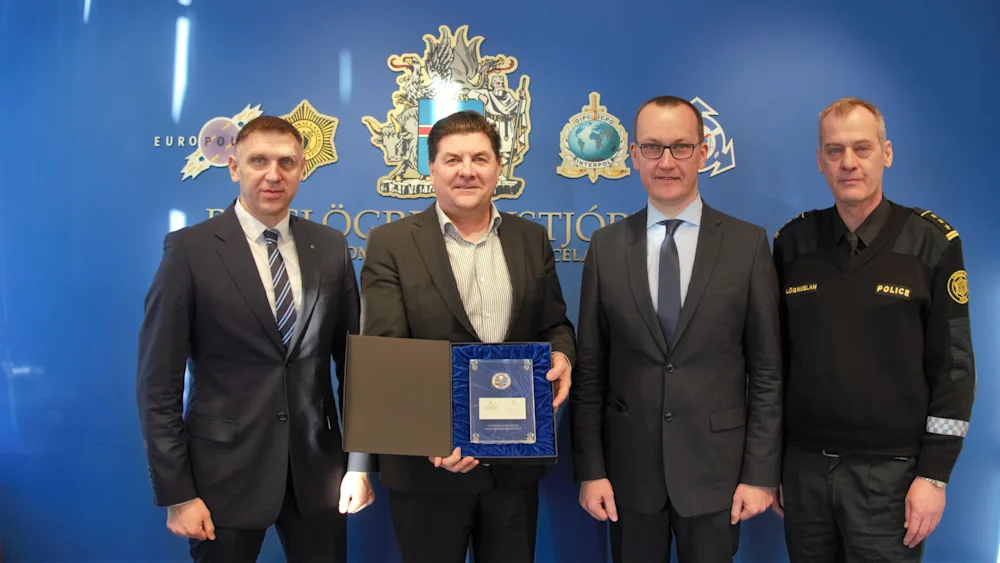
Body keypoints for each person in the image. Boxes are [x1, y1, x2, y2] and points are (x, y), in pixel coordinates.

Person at [136, 115, 375, 563]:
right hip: (222, 476)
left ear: (302, 168)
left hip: (317, 474)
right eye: (258, 161)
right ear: (234, 167)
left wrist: (359, 464)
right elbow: (158, 384)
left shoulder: (329, 246)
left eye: (286, 162)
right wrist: (178, 492)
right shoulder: (189, 250)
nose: (273, 174)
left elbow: (355, 366)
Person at [570, 95, 783, 563]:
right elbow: (590, 371)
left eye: (681, 147)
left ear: (703, 153)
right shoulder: (606, 247)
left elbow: (767, 371)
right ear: (634, 156)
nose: (666, 162)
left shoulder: (747, 245)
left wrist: (760, 473)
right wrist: (591, 469)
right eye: (652, 147)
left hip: (717, 475)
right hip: (627, 478)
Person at [359, 109, 576, 563]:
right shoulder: (391, 243)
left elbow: (554, 324)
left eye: (480, 158)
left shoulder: (531, 238)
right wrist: (432, 437)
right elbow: (386, 353)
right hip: (427, 470)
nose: (467, 171)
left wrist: (562, 355)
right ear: (431, 168)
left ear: (498, 167)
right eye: (453, 159)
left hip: (513, 467)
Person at [772, 97, 976, 561]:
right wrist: (773, 464)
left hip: (891, 479)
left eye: (862, 148)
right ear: (820, 160)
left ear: (886, 153)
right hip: (804, 472)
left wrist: (934, 475)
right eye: (835, 150)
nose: (848, 162)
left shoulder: (932, 243)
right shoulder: (792, 243)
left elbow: (955, 369)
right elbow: (774, 365)